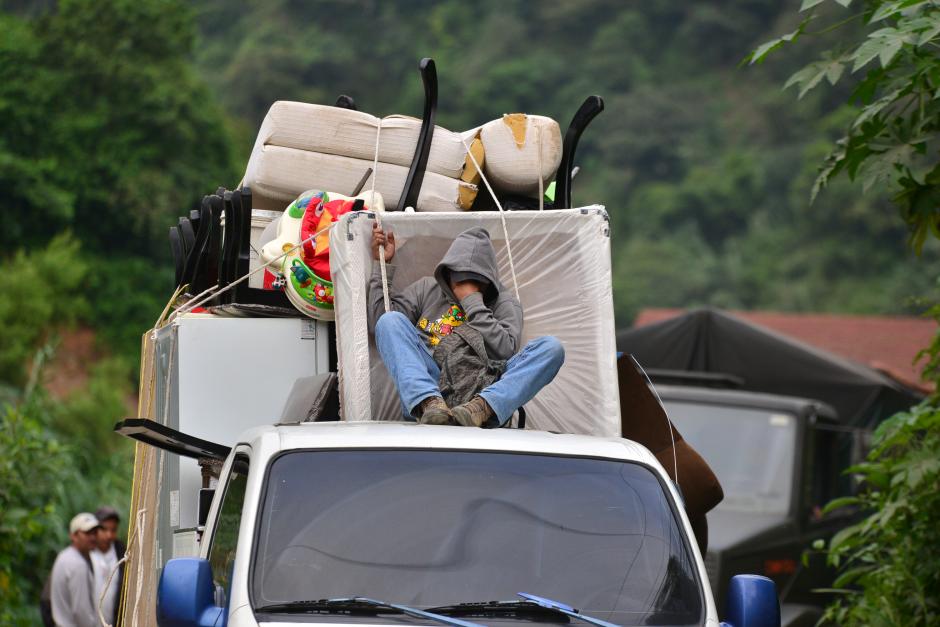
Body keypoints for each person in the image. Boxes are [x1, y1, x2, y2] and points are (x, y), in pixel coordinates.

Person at [368, 224, 565, 426]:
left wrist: (472, 301)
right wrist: (381, 265)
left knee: (551, 348)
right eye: (459, 277)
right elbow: (380, 324)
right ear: (448, 273)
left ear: (488, 281)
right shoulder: (428, 289)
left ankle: (484, 407)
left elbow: (505, 352)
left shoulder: (504, 303)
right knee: (390, 320)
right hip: (431, 390)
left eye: (475, 280)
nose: (464, 284)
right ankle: (428, 402)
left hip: (481, 395)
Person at [50, 512, 100, 627]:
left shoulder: (64, 556)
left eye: (95, 532)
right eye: (87, 533)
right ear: (73, 535)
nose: (93, 537)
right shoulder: (77, 565)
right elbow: (81, 611)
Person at [90, 506, 126, 626]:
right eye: (104, 530)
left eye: (113, 530)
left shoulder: (123, 553)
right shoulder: (85, 553)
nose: (109, 535)